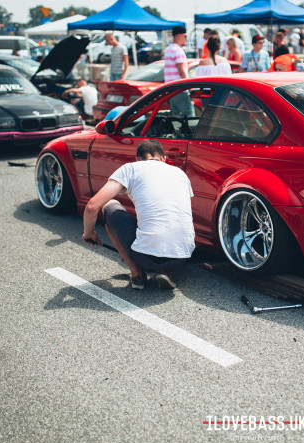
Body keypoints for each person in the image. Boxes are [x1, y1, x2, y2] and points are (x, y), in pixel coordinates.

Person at [82, 140, 195, 290]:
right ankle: (164, 271)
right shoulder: (180, 174)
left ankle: (137, 274)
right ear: (164, 158)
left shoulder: (131, 169)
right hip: (182, 256)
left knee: (109, 206)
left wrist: (89, 233)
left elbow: (92, 206)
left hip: (146, 257)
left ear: (138, 159)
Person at [164, 26, 193, 116]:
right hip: (180, 89)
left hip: (171, 88)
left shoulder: (168, 49)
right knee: (189, 115)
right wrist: (189, 86)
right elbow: (181, 71)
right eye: (185, 36)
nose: (186, 39)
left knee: (175, 116)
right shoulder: (178, 50)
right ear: (179, 36)